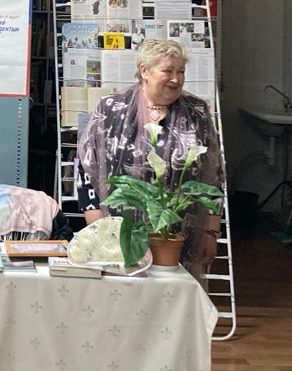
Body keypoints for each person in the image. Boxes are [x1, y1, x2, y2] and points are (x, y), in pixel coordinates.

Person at [74, 38, 225, 282]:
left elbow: (213, 177)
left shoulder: (197, 112)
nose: (176, 79)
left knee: (173, 297)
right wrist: (98, 226)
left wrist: (210, 232)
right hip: (120, 234)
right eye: (168, 71)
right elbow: (85, 167)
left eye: (181, 71)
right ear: (144, 71)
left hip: (179, 238)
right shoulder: (111, 109)